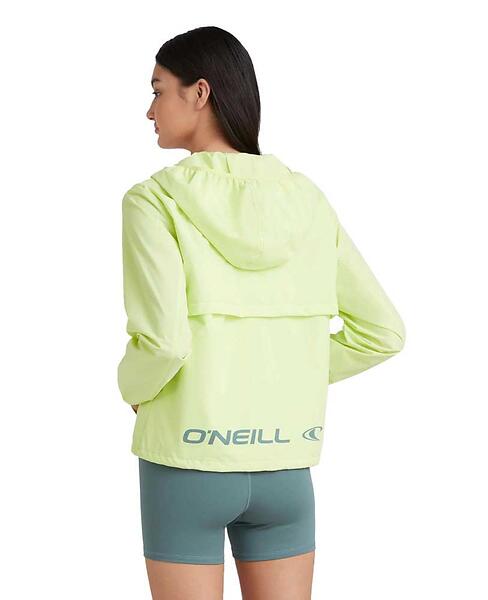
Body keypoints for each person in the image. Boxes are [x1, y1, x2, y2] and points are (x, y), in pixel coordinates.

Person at [117, 26, 406, 600]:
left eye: (158, 90)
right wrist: (282, 371)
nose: (149, 110)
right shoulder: (308, 200)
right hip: (285, 468)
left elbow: (165, 344)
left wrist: (132, 386)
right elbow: (382, 332)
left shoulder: (154, 200)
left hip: (186, 460)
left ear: (200, 93)